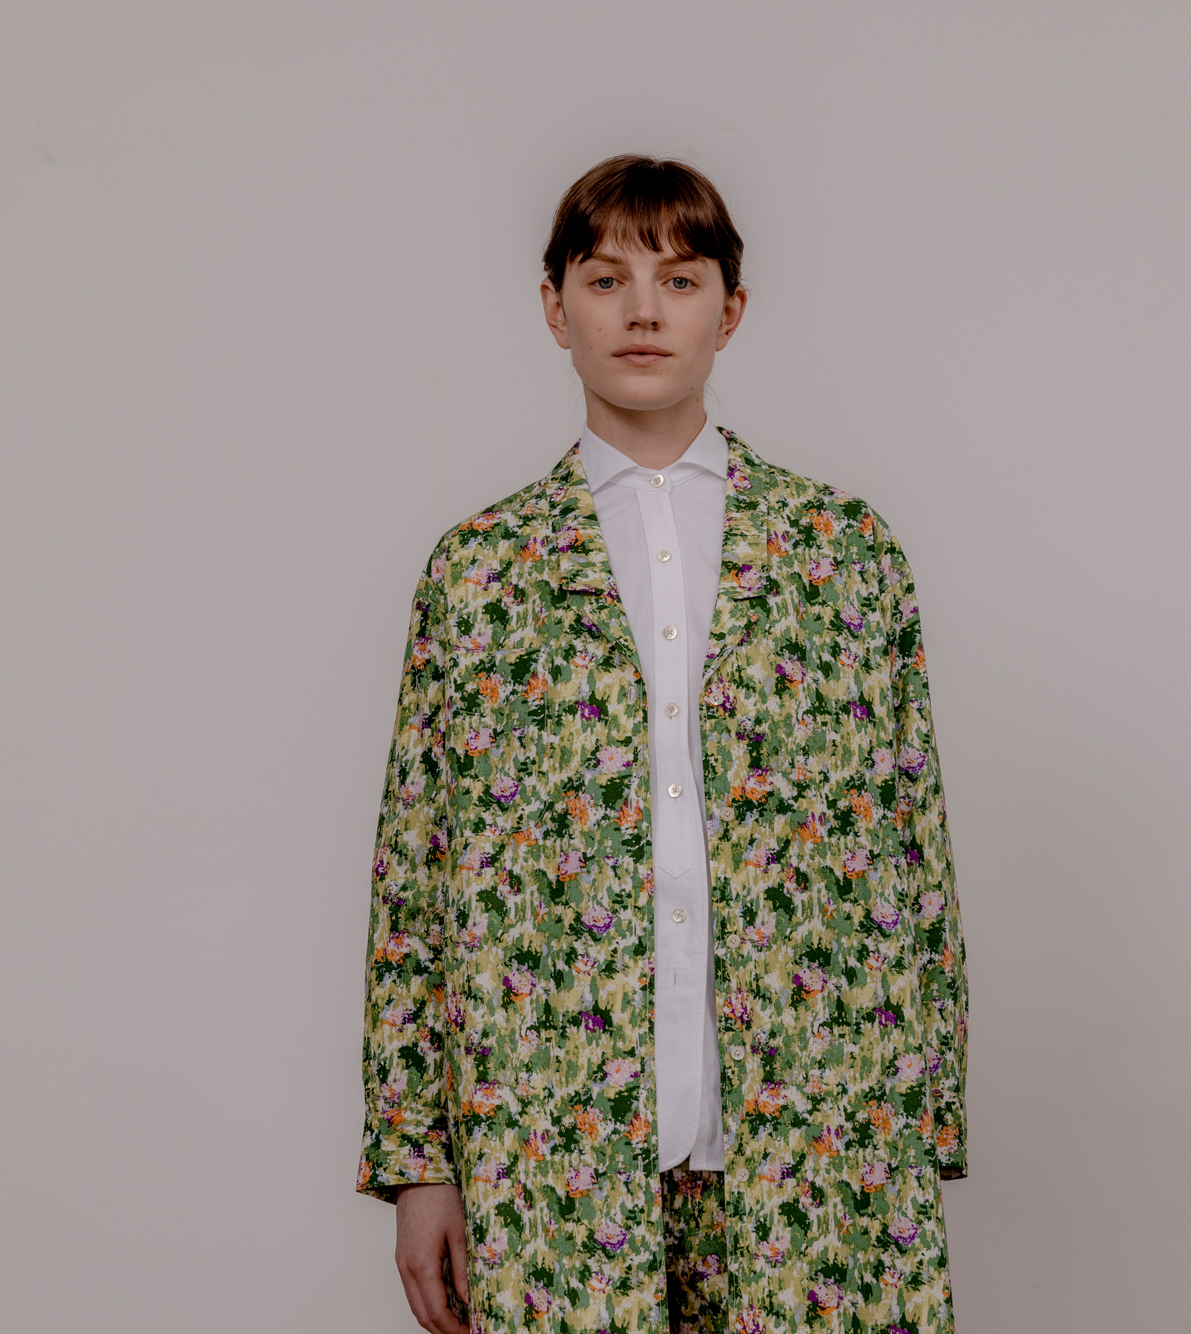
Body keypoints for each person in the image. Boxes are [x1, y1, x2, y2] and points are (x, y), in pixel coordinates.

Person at [358, 154, 968, 1334]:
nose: (642, 311)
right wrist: (416, 1157)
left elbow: (914, 845)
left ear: (728, 310)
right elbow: (415, 877)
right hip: (551, 1140)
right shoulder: (480, 570)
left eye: (678, 280)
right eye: (605, 280)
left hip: (818, 1129)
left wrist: (924, 1115)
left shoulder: (842, 552)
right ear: (555, 308)